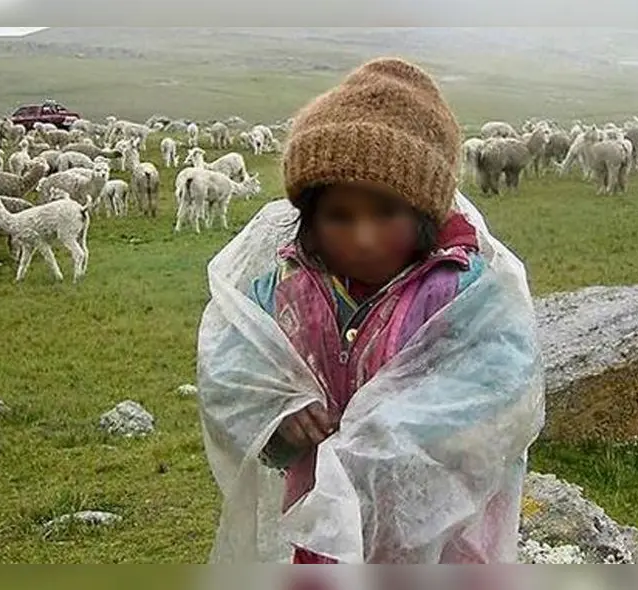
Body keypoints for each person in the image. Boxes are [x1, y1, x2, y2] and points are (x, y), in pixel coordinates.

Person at [198, 57, 543, 566]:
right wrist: (278, 416)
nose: (363, 237)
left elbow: (502, 382)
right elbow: (233, 363)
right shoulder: (289, 289)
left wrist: (399, 437)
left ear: (424, 210)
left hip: (438, 528)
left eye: (386, 213)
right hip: (322, 521)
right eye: (339, 216)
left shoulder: (461, 290)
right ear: (309, 218)